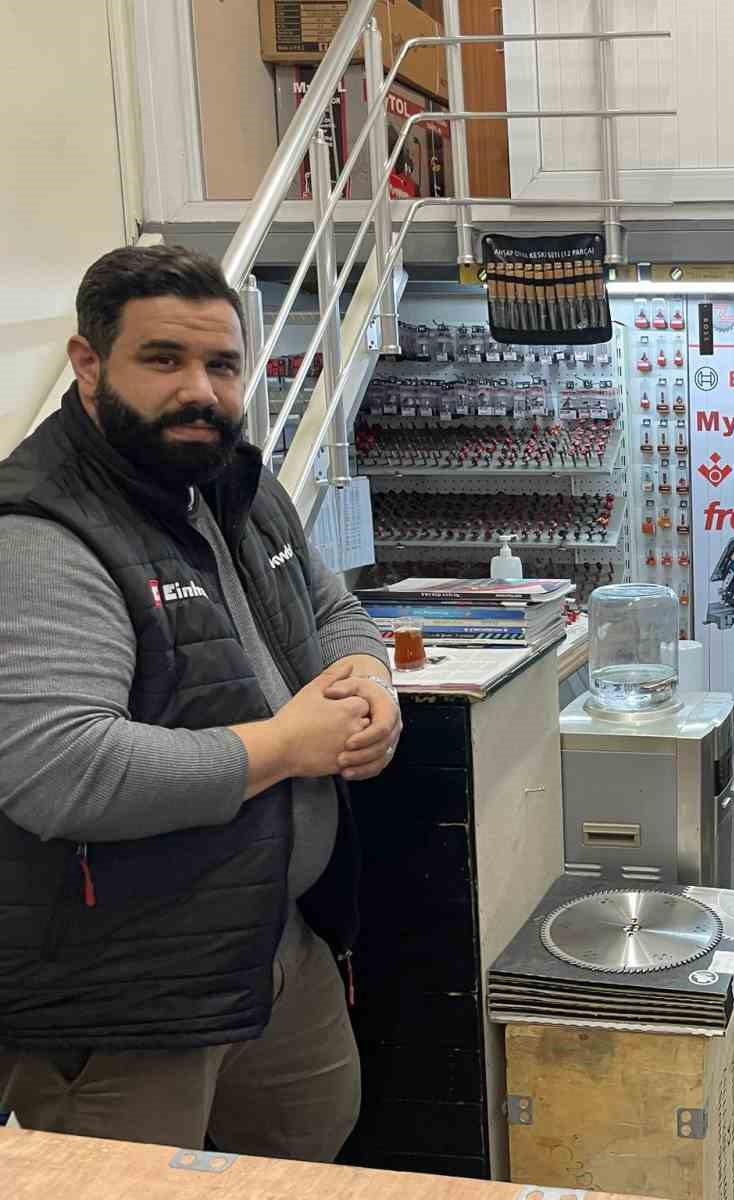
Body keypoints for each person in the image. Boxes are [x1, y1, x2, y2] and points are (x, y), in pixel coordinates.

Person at [0, 245, 402, 1159]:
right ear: (89, 363)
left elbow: (332, 610)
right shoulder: (42, 533)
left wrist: (368, 679)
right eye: (163, 359)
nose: (200, 391)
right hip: (125, 993)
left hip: (274, 940)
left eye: (221, 365)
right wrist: (288, 747)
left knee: (305, 1146)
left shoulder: (237, 487)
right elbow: (65, 771)